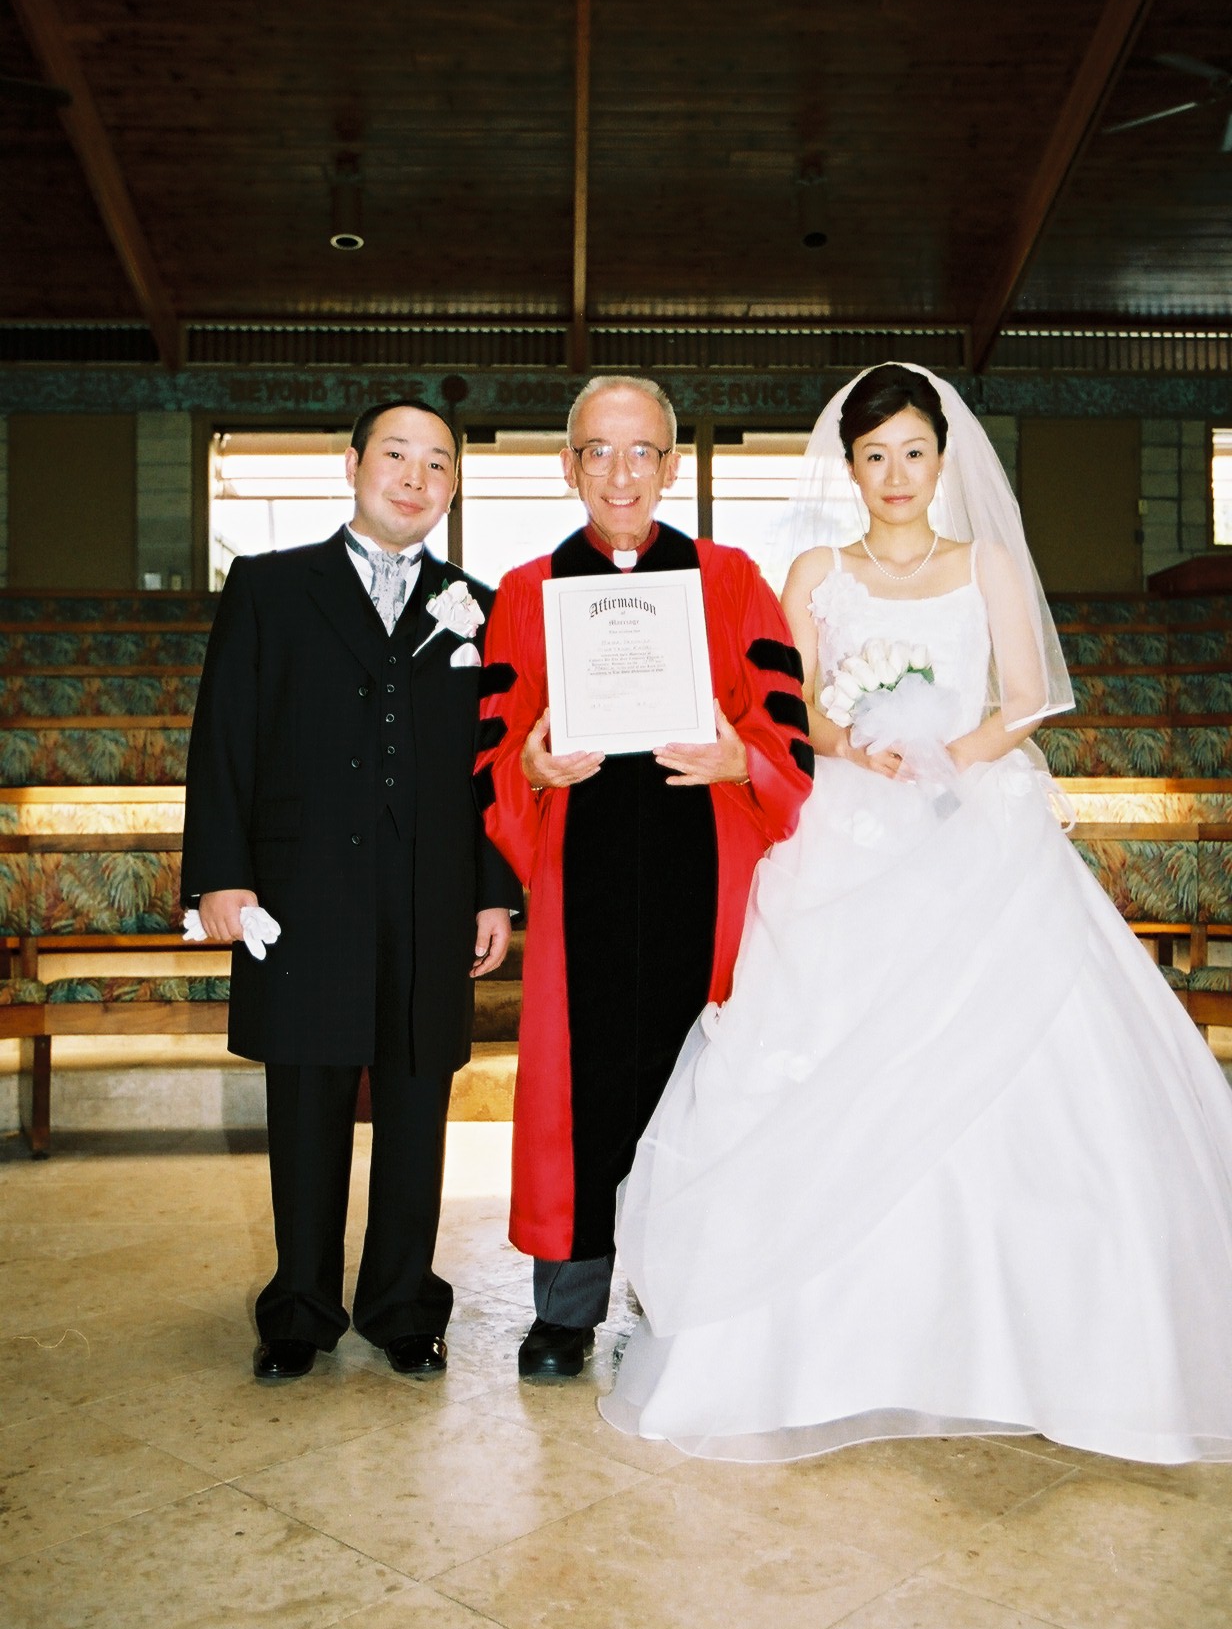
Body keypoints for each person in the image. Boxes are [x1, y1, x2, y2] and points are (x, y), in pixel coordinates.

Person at [601, 362, 1232, 1465]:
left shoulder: (985, 563)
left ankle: (1016, 1348)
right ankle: (814, 1348)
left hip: (971, 818)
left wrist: (951, 752)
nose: (895, 475)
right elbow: (789, 703)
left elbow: (1028, 697)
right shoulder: (815, 572)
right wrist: (856, 743)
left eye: (913, 453)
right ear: (848, 467)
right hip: (846, 822)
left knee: (1006, 1057)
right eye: (874, 456)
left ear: (943, 459)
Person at [476, 374, 814, 1379]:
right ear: (566, 464)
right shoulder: (525, 590)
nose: (619, 473)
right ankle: (566, 1310)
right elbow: (493, 746)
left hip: (703, 879)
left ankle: (683, 1301)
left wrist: (741, 761)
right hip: (578, 879)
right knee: (577, 1091)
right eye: (598, 450)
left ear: (669, 466)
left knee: (695, 1085)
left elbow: (784, 731)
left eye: (640, 452)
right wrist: (528, 768)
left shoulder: (732, 579)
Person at [183, 400, 518, 1383]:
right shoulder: (270, 586)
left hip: (431, 892)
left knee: (417, 1102)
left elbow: (489, 766)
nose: (415, 477)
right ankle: (299, 1308)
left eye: (437, 463)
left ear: (453, 485)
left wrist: (491, 892)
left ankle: (404, 1304)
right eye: (396, 455)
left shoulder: (477, 604)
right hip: (302, 890)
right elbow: (224, 735)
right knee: (307, 1100)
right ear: (352, 464)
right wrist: (220, 874)